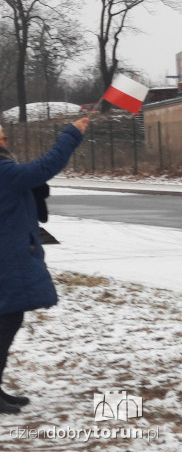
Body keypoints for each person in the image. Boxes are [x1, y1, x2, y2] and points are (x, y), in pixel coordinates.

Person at [0, 116, 89, 413]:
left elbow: (32, 178)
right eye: (1, 138)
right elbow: (43, 168)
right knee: (6, 321)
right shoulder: (2, 170)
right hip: (6, 258)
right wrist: (72, 134)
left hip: (8, 254)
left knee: (7, 320)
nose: (5, 142)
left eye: (4, 137)